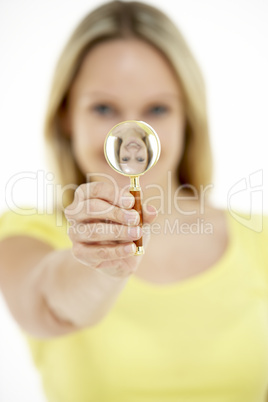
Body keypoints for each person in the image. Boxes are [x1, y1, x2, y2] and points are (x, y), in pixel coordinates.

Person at [0, 1, 267, 401]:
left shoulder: (259, 238)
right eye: (103, 108)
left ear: (186, 121)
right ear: (66, 117)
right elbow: (52, 301)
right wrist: (103, 262)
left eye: (157, 109)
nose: (131, 139)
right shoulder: (25, 233)